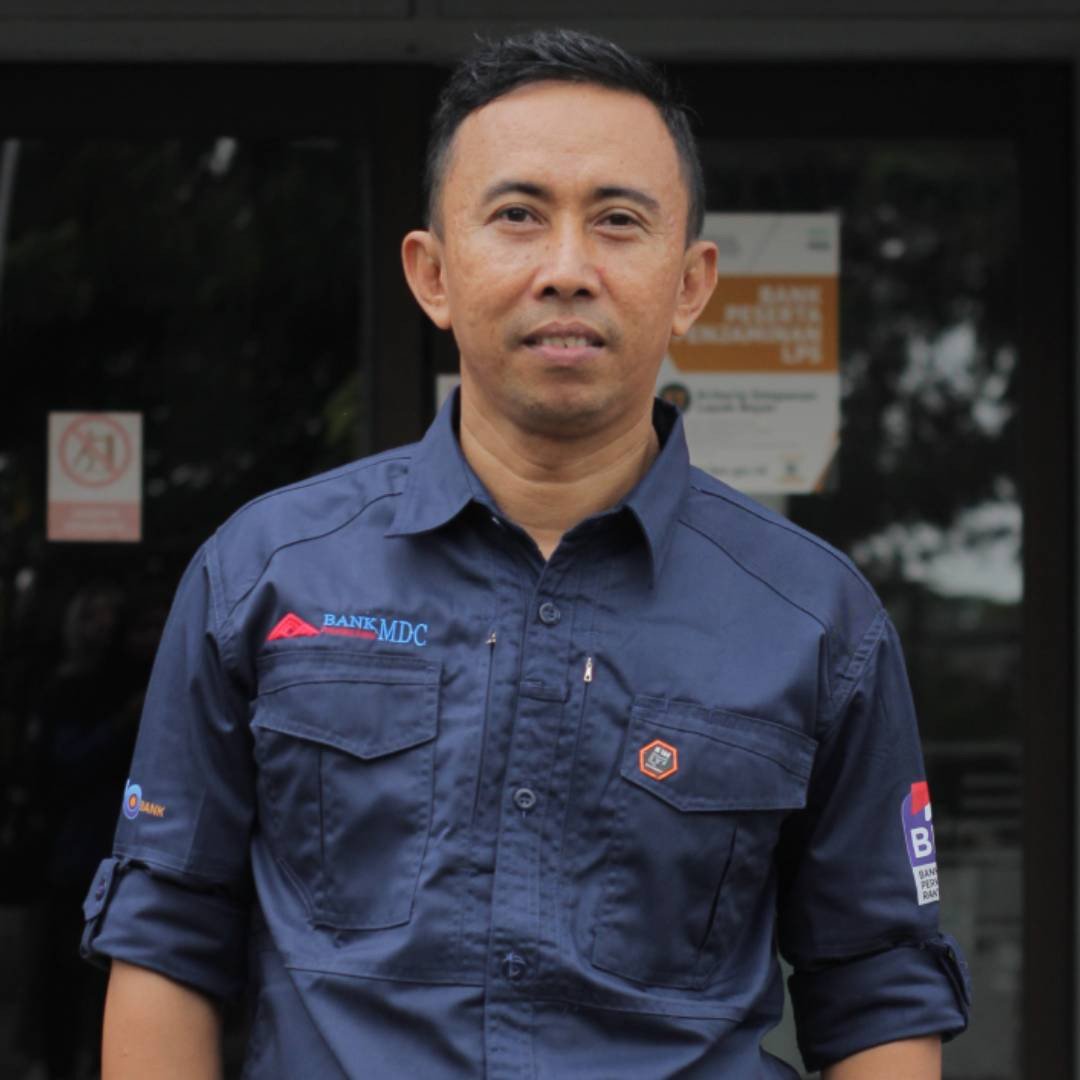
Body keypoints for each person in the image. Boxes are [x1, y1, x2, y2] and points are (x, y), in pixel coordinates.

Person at [84, 28, 970, 1079]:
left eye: (618, 222)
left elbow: (876, 986)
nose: (567, 270)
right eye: (517, 216)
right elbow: (168, 931)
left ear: (691, 284)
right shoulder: (265, 573)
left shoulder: (815, 619)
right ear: (432, 273)